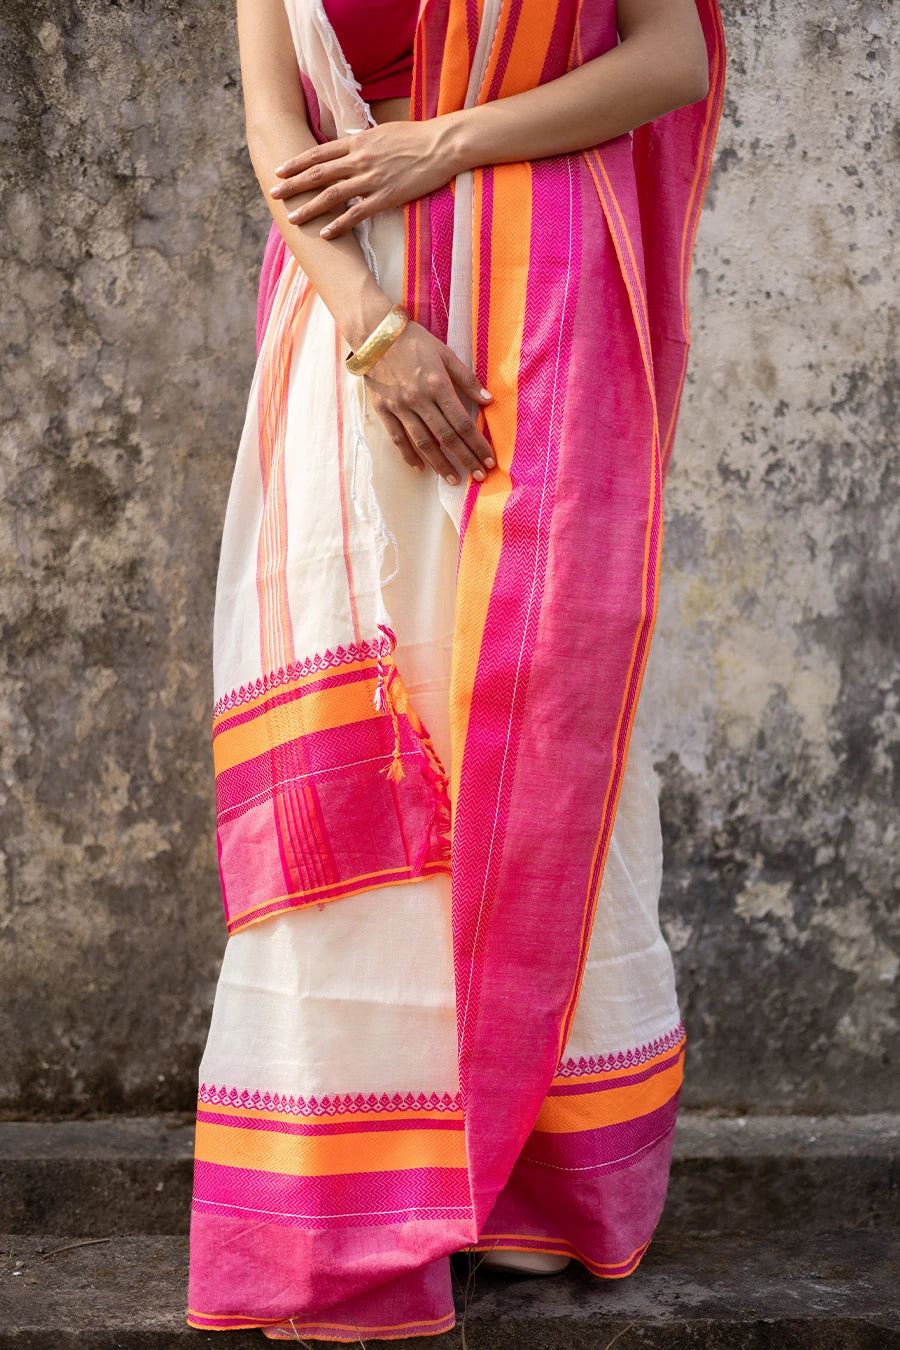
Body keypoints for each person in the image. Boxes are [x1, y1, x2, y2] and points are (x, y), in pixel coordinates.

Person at [186, 0, 725, 1341]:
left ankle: (534, 1184)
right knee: (370, 740)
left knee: (540, 732)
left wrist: (443, 148)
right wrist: (373, 328)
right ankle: (353, 1195)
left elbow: (670, 58)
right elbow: (276, 127)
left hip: (550, 326)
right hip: (353, 345)